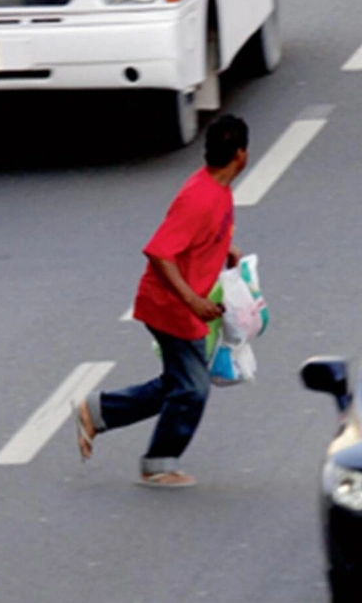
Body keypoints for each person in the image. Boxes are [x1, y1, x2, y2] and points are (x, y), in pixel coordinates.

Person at [72, 114, 249, 488]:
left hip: (184, 305)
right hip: (172, 307)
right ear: (241, 155)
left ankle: (97, 411)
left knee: (177, 383)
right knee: (193, 388)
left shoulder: (216, 189)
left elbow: (195, 238)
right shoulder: (200, 197)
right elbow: (159, 252)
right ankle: (158, 463)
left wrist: (222, 249)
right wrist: (192, 301)